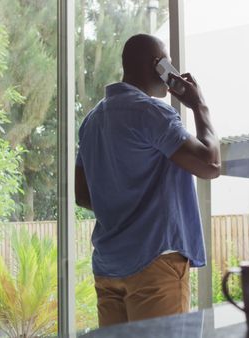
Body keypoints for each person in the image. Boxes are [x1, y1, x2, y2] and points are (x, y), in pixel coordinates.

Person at [74, 33, 221, 327]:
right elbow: (210, 164)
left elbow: (82, 195)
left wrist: (125, 205)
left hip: (108, 267)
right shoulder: (151, 112)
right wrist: (199, 105)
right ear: (157, 64)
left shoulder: (92, 121)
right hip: (155, 263)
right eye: (168, 61)